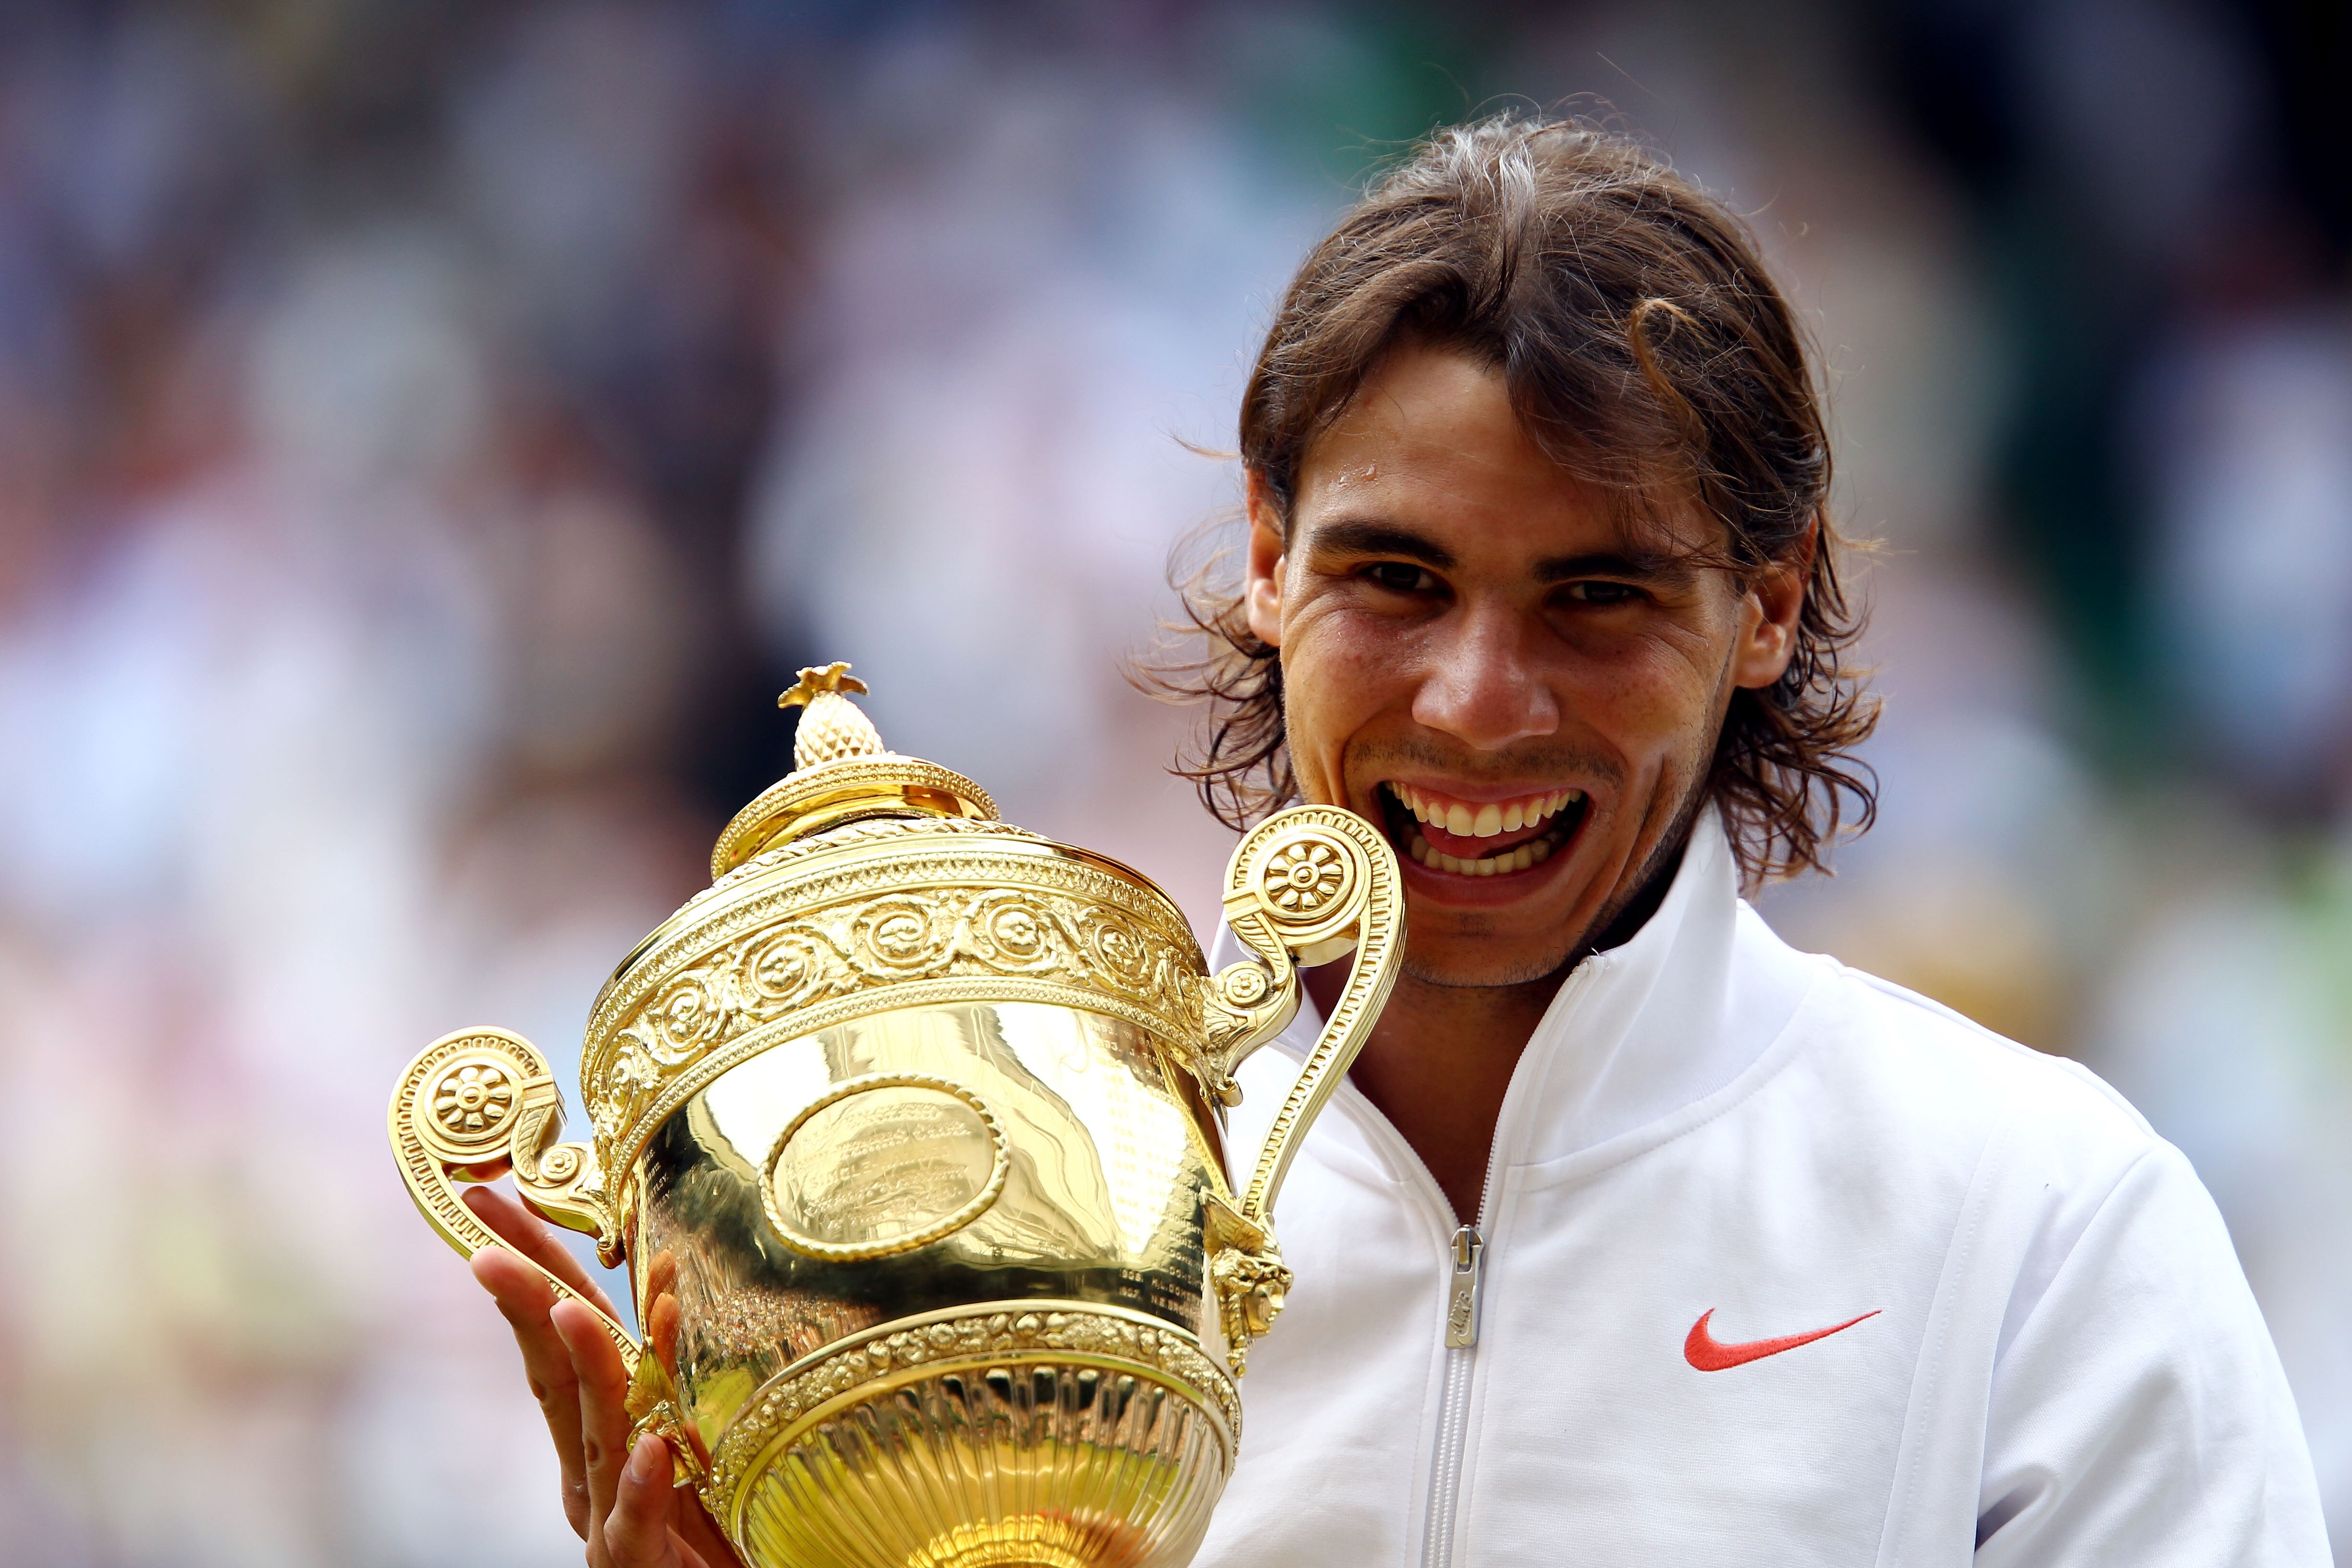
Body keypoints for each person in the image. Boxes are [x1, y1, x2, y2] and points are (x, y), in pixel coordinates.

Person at [464, 115, 2329, 1567]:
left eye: (1596, 596)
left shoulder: (2035, 1219)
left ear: (1772, 606)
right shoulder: (983, 1259)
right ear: (1268, 561)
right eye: (1395, 581)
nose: (1477, 702)